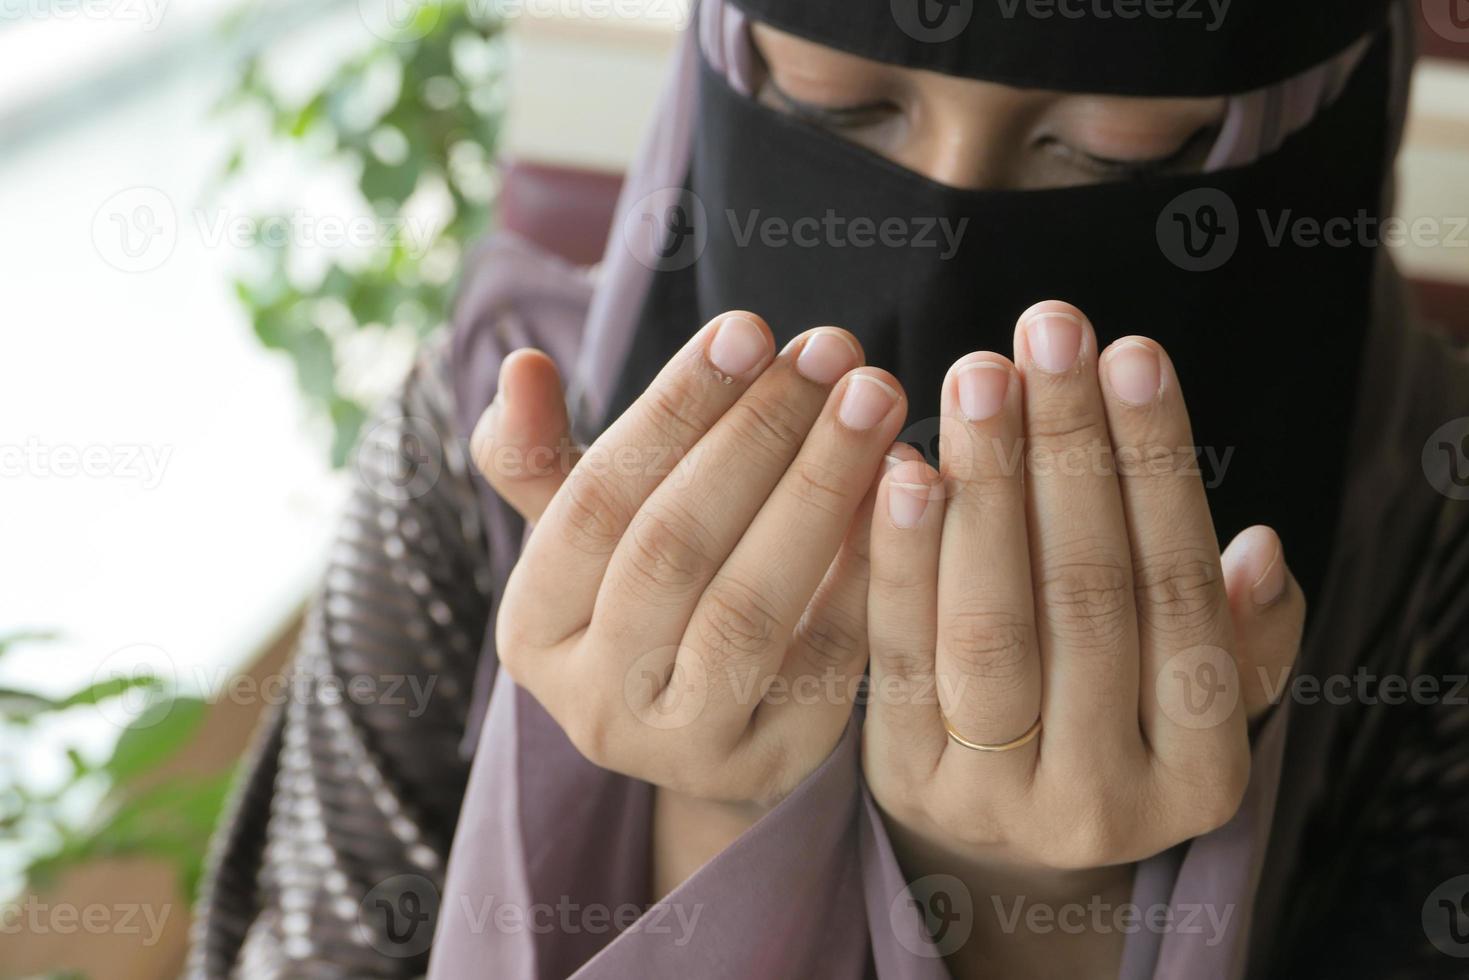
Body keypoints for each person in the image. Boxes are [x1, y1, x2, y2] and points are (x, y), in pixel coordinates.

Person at [189, 1, 1469, 977]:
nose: (939, 242)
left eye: (1115, 154)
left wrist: (1032, 912)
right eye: (832, 112)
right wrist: (707, 816)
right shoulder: (482, 445)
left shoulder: (1436, 537)